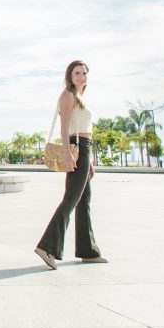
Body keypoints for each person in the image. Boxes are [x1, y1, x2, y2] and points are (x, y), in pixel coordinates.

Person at [35, 60, 106, 270]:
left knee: (84, 200)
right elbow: (64, 128)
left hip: (85, 149)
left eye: (85, 73)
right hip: (76, 148)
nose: (82, 76)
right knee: (71, 199)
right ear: (70, 75)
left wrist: (89, 160)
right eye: (77, 73)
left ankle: (88, 252)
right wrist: (67, 154)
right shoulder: (67, 95)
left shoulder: (80, 97)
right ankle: (47, 247)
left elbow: (83, 128)